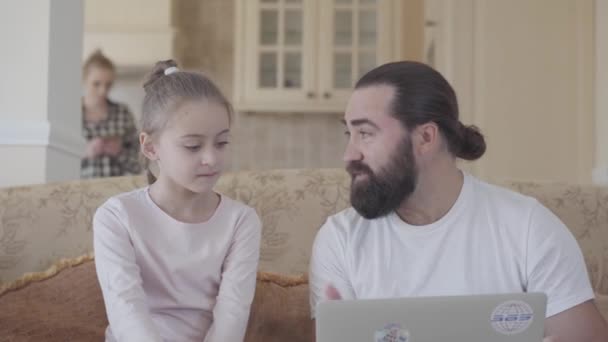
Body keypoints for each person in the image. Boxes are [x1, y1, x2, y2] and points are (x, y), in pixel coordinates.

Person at [309, 61, 608, 341]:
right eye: (349, 133)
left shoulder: (528, 228)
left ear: (426, 137)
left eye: (365, 133)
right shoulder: (339, 240)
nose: (349, 155)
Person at [93, 60, 262, 342]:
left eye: (221, 143)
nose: (211, 158)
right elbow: (126, 310)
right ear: (150, 147)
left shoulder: (241, 221)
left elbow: (233, 312)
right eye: (193, 146)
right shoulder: (116, 216)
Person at [81, 50, 141, 178]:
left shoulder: (122, 113)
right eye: (96, 84)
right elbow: (55, 162)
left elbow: (139, 164)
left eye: (108, 85)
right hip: (78, 192)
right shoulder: (69, 114)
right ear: (84, 80)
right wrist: (85, 152)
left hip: (115, 191)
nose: (103, 91)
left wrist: (120, 152)